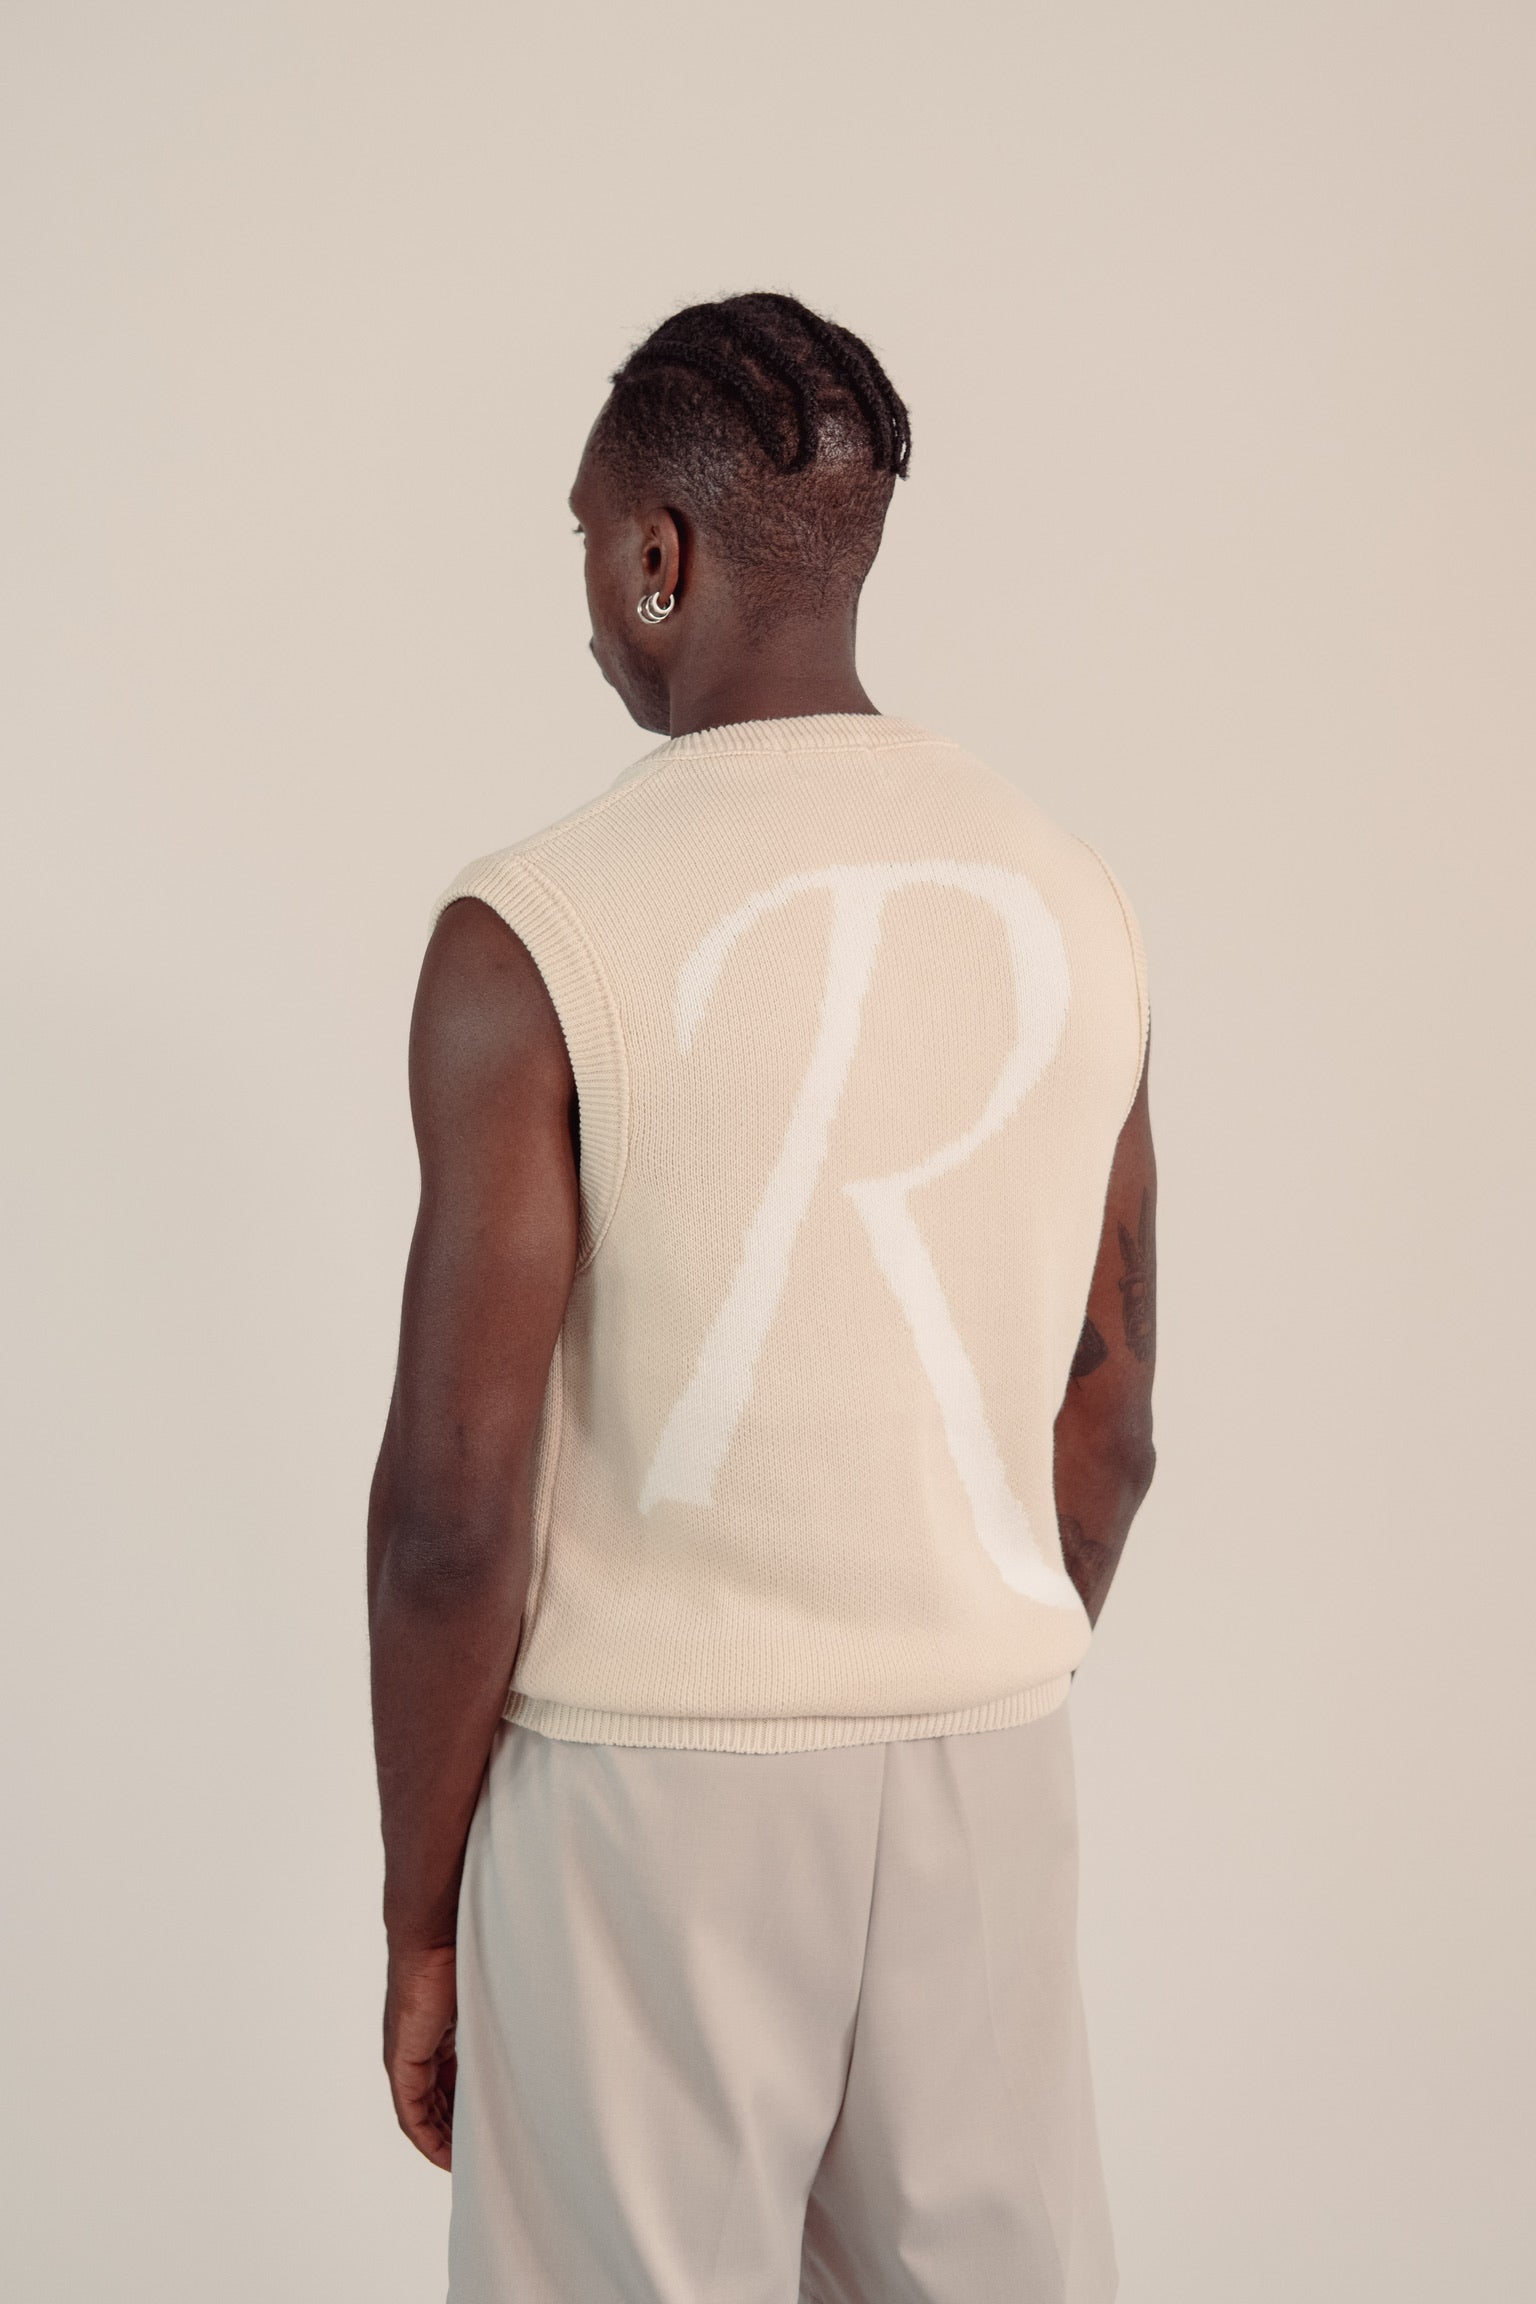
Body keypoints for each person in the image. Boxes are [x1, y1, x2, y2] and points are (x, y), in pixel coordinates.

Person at [367, 291, 1156, 2304]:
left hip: (647, 1791)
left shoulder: (535, 934)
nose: (589, 598)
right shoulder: (1071, 895)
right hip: (985, 1761)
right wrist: (955, 1646)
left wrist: (421, 1917)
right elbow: (1112, 1417)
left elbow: (454, 1503)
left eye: (589, 543)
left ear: (661, 554)